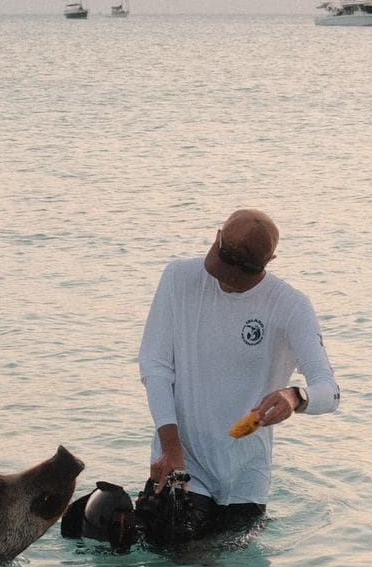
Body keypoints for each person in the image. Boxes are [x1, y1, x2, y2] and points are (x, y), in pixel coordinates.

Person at [135, 208, 339, 542]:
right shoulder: (178, 278)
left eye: (239, 273)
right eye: (222, 266)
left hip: (246, 479)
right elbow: (155, 367)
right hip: (183, 467)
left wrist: (296, 397)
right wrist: (170, 447)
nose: (227, 279)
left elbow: (330, 391)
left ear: (270, 260)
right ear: (216, 238)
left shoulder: (291, 306)